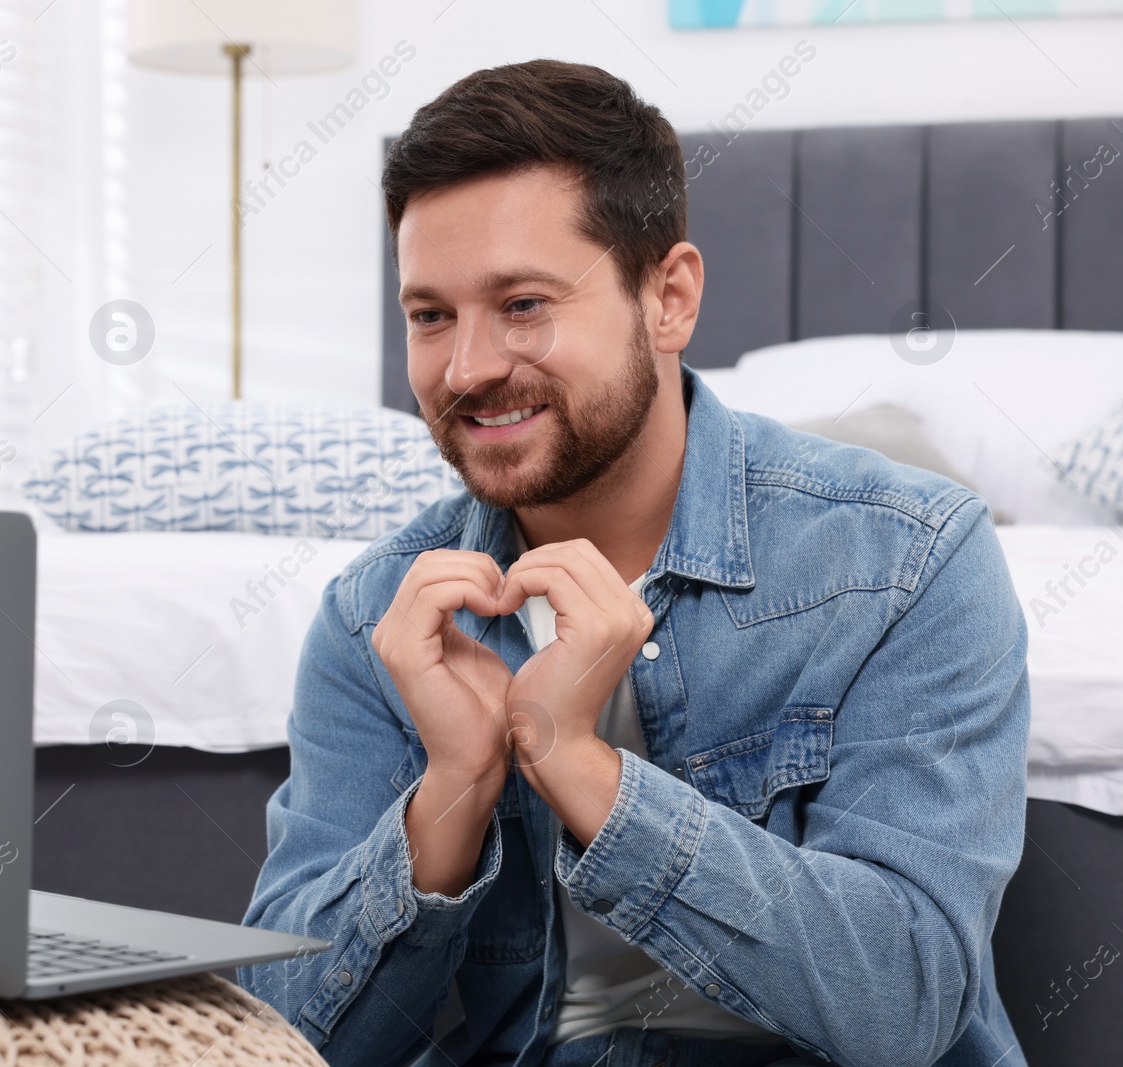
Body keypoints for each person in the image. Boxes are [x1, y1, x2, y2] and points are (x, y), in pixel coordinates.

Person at [238, 59, 1029, 1067]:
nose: (467, 366)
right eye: (429, 313)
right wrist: (456, 783)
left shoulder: (908, 559)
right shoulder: (375, 618)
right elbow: (278, 1041)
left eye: (522, 302)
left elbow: (900, 1003)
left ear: (668, 296)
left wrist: (579, 764)